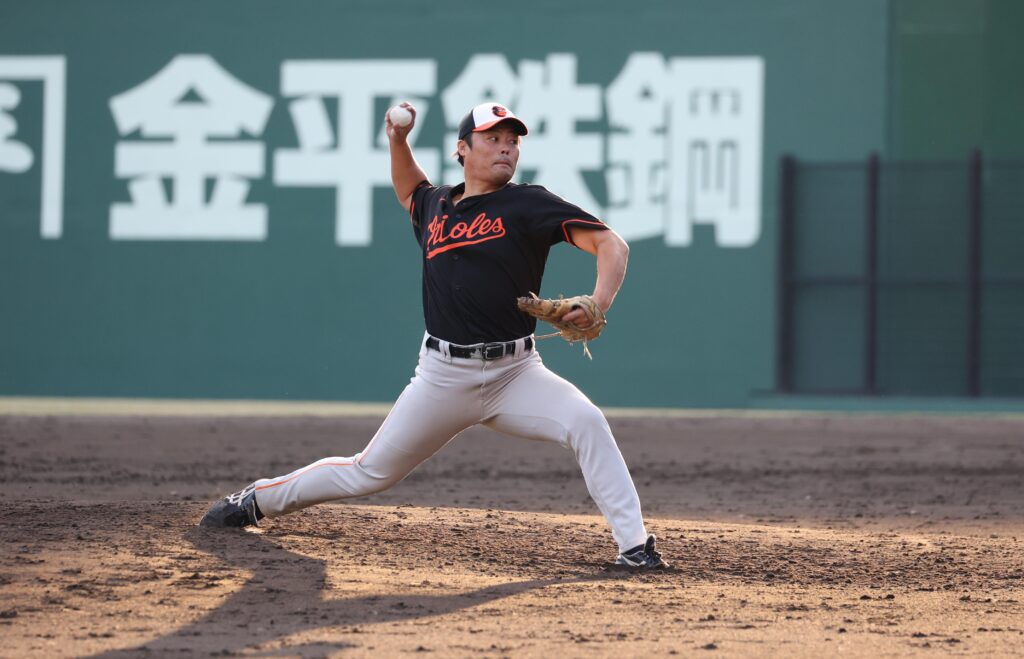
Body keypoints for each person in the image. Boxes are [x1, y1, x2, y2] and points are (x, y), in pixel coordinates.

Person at [199, 101, 667, 570]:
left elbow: (611, 244)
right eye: (492, 138)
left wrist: (599, 302)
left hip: (516, 373)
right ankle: (257, 500)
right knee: (368, 472)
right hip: (443, 376)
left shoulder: (528, 203)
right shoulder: (435, 205)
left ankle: (634, 547)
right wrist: (397, 141)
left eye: (512, 141)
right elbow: (409, 187)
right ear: (462, 149)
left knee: (587, 422)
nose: (506, 148)